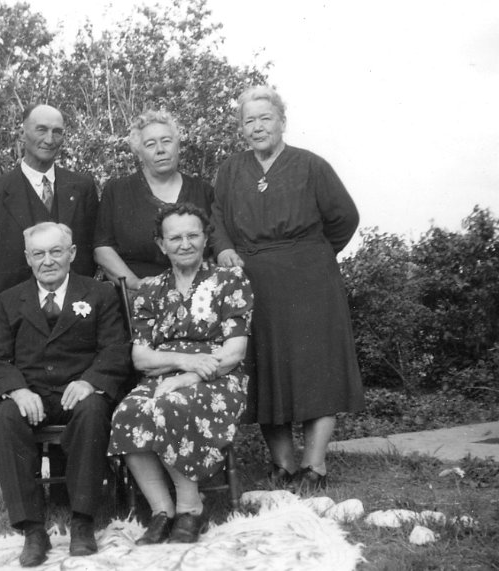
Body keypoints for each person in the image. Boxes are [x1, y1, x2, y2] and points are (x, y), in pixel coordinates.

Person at [211, 85, 364, 490]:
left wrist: (311, 255)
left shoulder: (312, 166)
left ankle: (314, 466)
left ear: (282, 121)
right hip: (254, 282)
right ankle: (282, 464)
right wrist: (225, 249)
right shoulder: (229, 170)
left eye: (265, 118)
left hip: (311, 282)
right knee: (264, 370)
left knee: (316, 370)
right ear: (241, 128)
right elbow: (216, 219)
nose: (258, 127)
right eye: (249, 120)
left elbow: (344, 217)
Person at [0, 221, 131, 567]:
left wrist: (90, 381)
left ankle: (82, 522)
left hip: (78, 392)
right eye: (39, 254)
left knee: (93, 412)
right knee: (3, 419)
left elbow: (115, 350)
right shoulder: (7, 301)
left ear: (72, 254)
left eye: (55, 251)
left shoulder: (99, 294)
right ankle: (33, 529)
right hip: (31, 396)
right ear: (28, 259)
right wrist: (16, 390)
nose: (47, 261)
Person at [107, 203, 254, 544]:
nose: (184, 244)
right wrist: (184, 363)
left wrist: (191, 377)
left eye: (193, 235)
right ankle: (163, 511)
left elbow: (235, 351)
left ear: (205, 239)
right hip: (165, 374)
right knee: (127, 413)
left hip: (219, 377)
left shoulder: (230, 280)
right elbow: (141, 358)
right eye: (175, 238)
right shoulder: (151, 289)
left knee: (168, 405)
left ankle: (190, 508)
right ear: (161, 244)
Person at [0, 103, 99, 305]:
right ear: (22, 134)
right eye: (41, 130)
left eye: (57, 132)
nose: (49, 139)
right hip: (16, 314)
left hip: (75, 311)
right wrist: (2, 305)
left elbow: (90, 249)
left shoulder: (82, 187)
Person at [94, 110, 213, 294]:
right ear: (139, 153)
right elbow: (102, 248)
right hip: (135, 295)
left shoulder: (203, 191)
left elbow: (214, 246)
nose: (160, 150)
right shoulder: (117, 191)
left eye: (166, 141)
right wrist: (136, 284)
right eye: (150, 144)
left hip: (198, 294)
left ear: (177, 145)